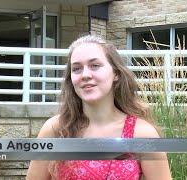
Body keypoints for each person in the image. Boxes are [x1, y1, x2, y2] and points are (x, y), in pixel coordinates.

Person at [26, 35, 172, 180]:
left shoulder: (142, 134)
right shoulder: (55, 129)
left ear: (116, 73)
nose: (85, 75)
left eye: (95, 65)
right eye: (76, 69)